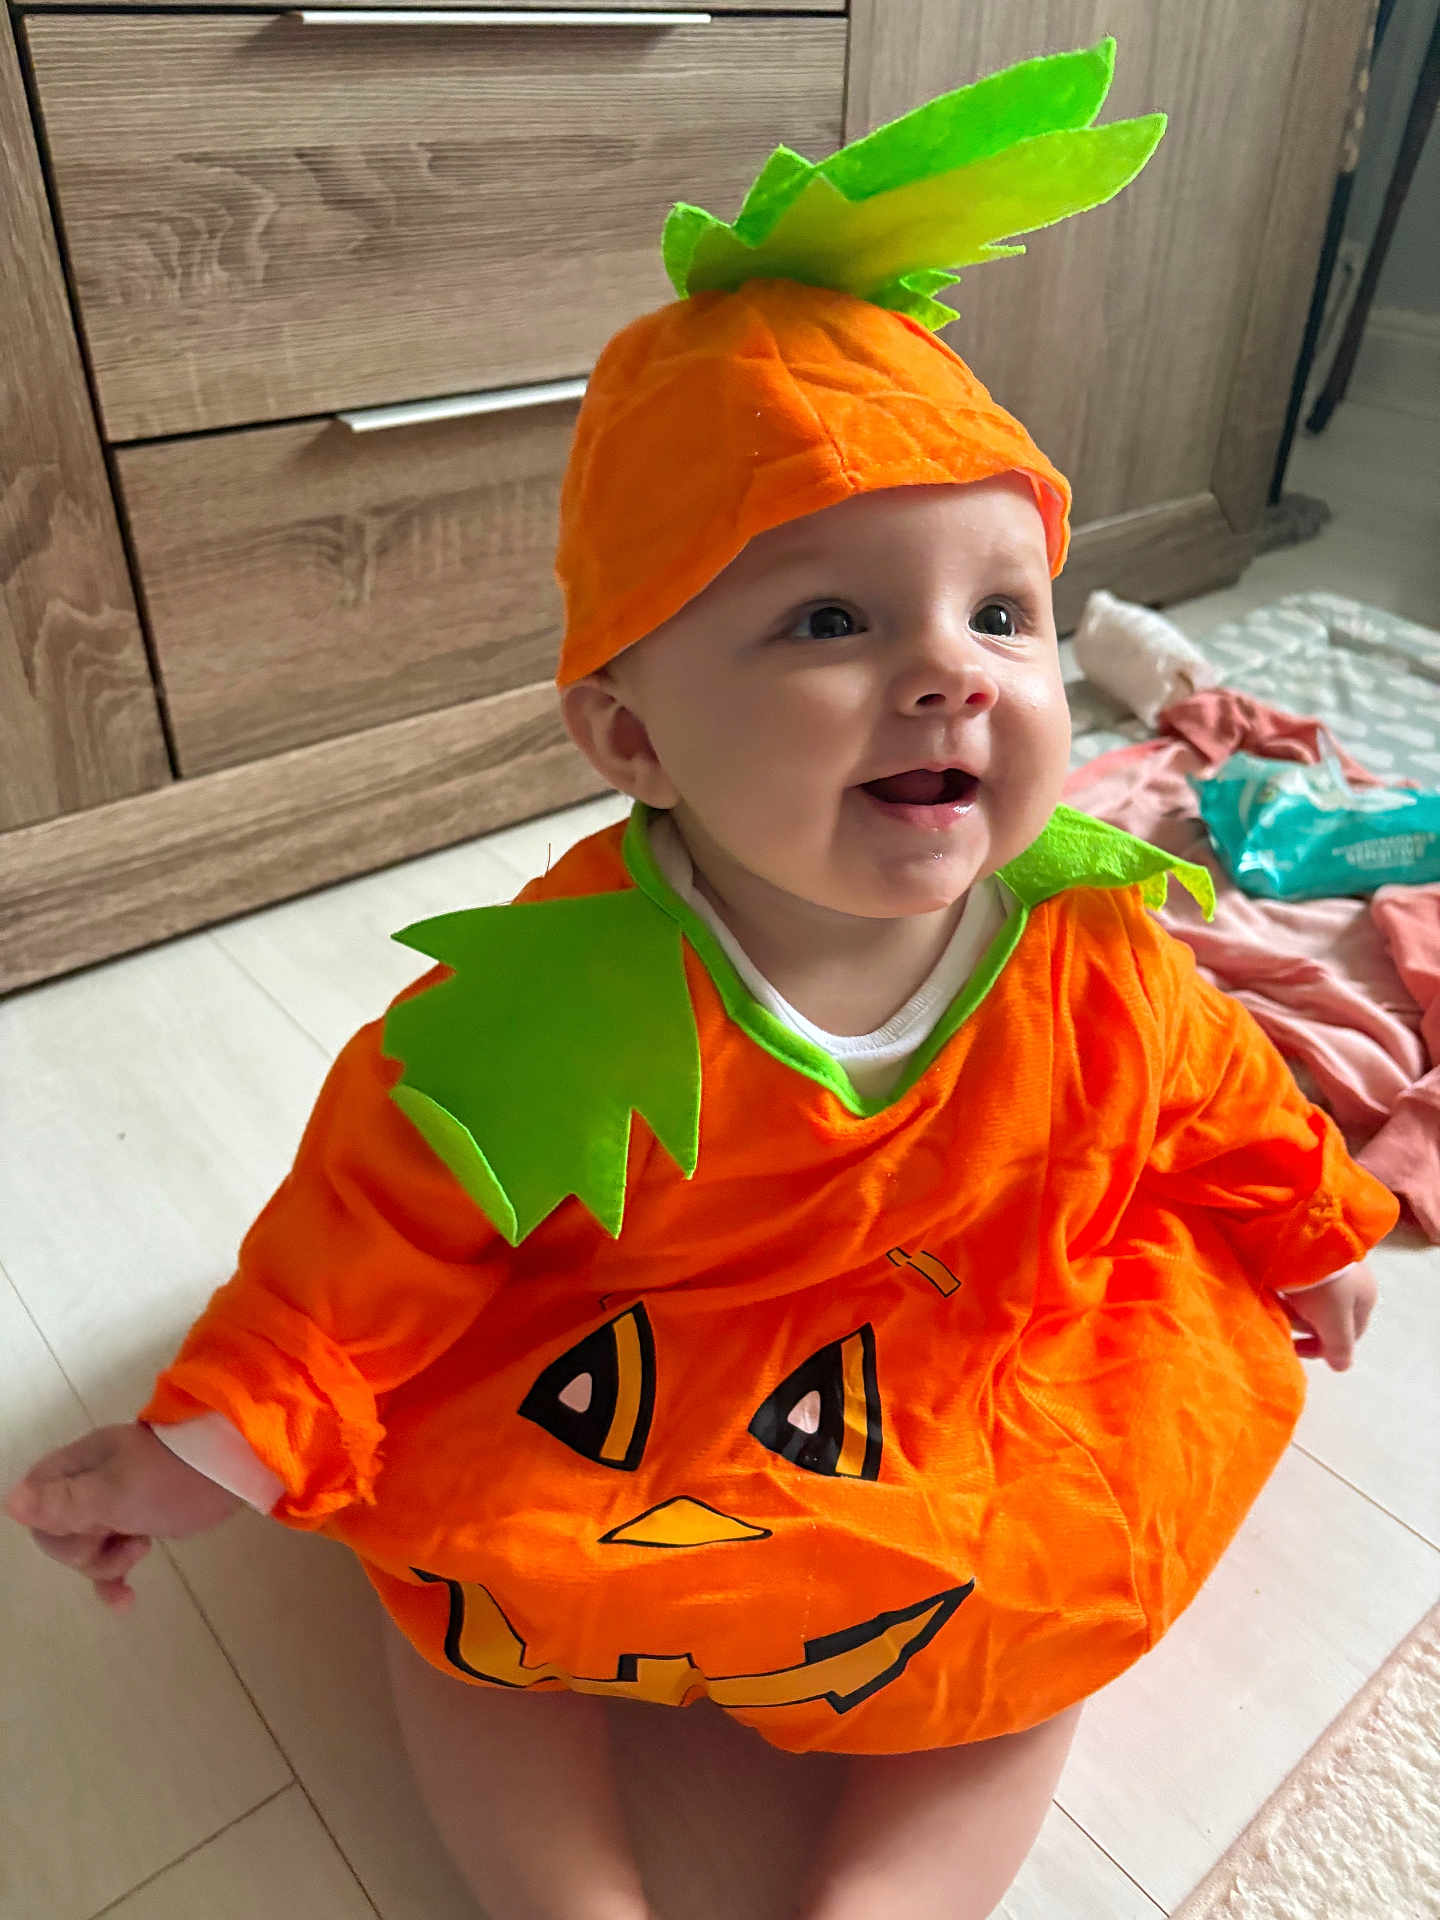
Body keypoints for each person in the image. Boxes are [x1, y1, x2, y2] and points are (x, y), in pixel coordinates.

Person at [5, 40, 1394, 1920]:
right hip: (627, 1365)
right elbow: (371, 1235)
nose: (952, 674)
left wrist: (1310, 1222)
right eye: (830, 619)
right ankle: (567, 1900)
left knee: (1041, 1606)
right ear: (631, 739)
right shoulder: (570, 996)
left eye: (1000, 611)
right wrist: (209, 1447)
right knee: (469, 1593)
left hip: (985, 1341)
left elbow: (1209, 1092)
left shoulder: (1078, 932)